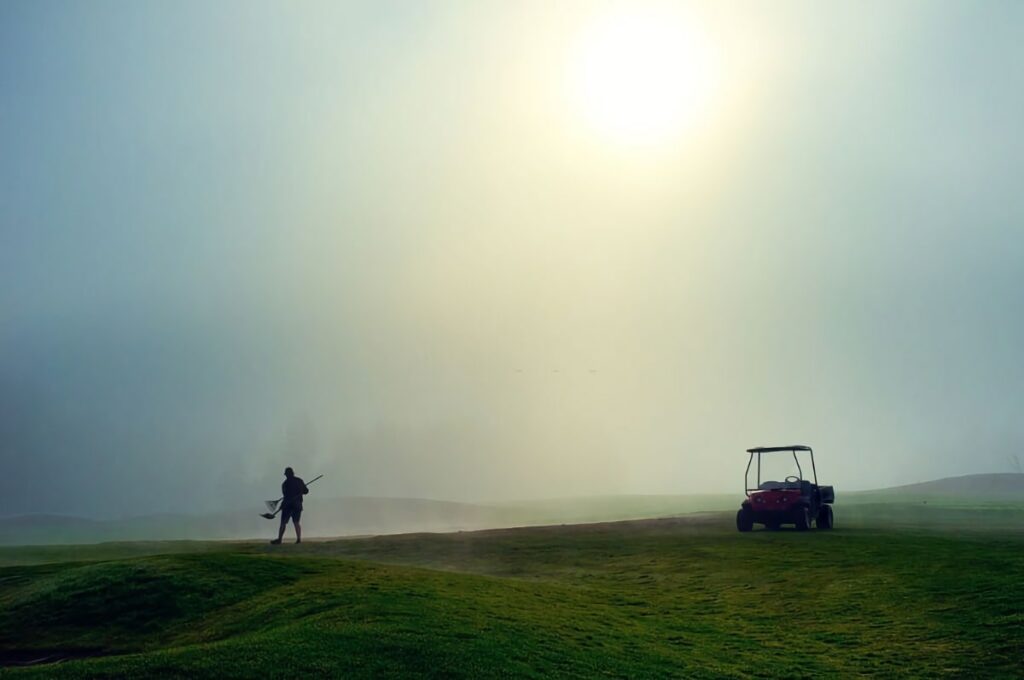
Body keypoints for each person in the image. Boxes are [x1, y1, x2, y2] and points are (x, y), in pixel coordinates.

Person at [271, 467, 308, 545]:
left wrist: (282, 505)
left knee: (283, 522)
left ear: (287, 475)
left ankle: (279, 539)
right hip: (298, 504)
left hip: (288, 505)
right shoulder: (299, 481)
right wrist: (301, 490)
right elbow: (306, 491)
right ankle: (298, 539)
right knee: (296, 522)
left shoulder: (285, 484)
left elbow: (286, 496)